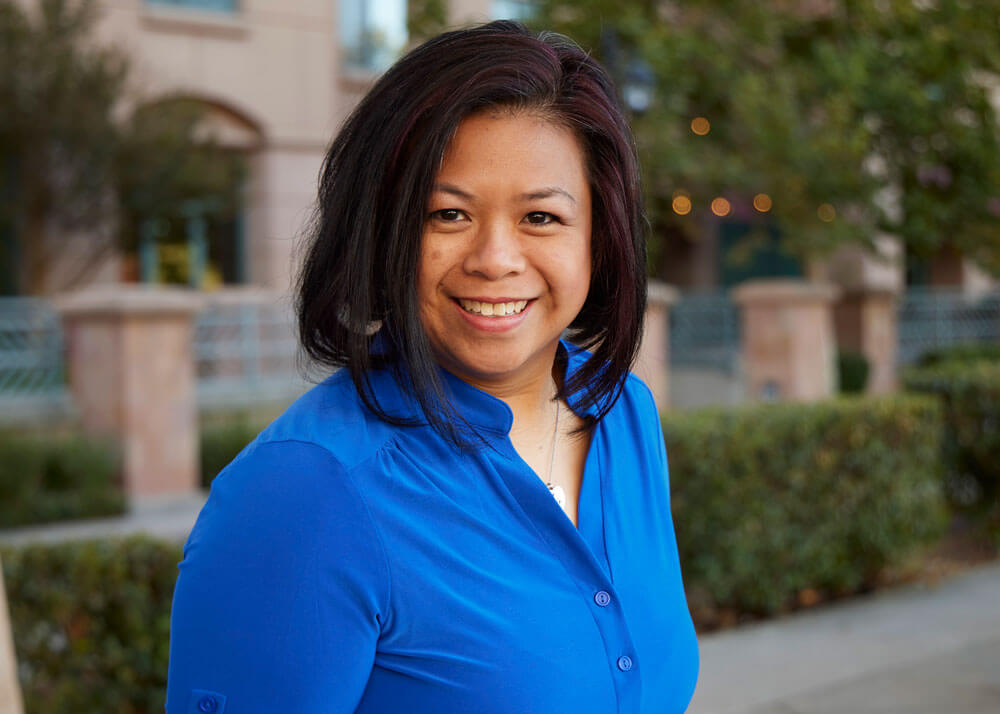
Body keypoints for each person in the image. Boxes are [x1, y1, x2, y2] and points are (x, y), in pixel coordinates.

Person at [166, 20, 698, 714]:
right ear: (383, 232)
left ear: (601, 238)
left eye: (541, 217)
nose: (495, 259)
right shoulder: (306, 493)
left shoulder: (626, 413)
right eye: (447, 214)